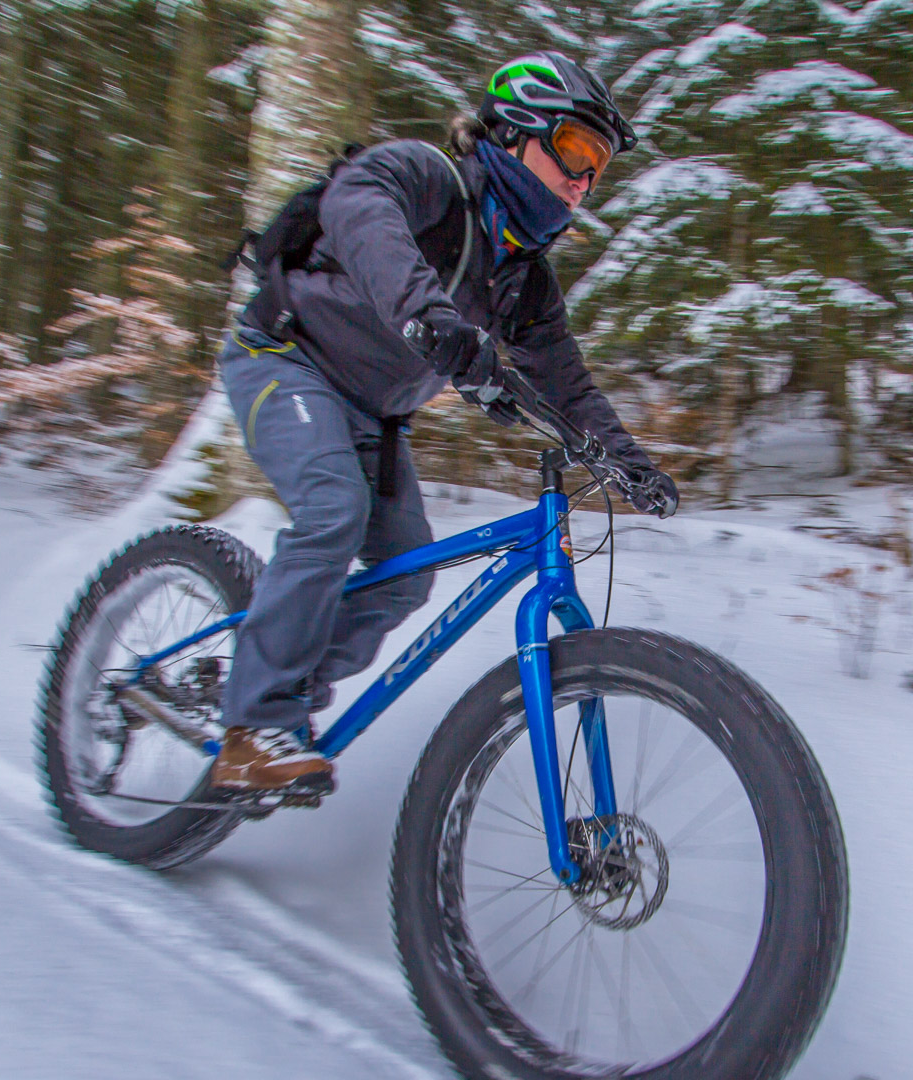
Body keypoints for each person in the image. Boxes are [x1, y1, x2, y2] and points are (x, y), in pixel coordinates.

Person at [208, 52, 679, 793]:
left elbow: (567, 383)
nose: (585, 178)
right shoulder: (432, 178)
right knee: (334, 512)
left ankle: (284, 693)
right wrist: (427, 314)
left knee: (405, 576)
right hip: (284, 360)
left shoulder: (522, 276)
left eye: (600, 165)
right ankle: (254, 721)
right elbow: (359, 209)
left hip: (373, 415)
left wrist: (627, 461)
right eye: (578, 149)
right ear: (521, 127)